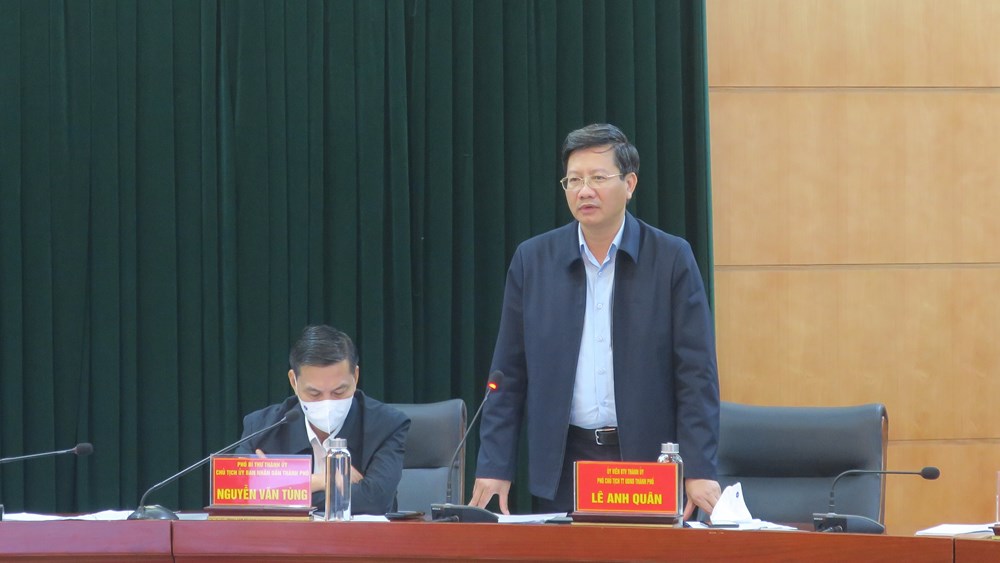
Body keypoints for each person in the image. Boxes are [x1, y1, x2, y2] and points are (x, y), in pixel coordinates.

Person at [470, 123, 722, 517]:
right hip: (565, 463)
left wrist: (699, 467)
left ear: (629, 184)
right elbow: (508, 374)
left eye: (598, 178)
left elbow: (696, 374)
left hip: (647, 464)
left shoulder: (671, 258)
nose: (584, 190)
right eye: (574, 180)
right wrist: (494, 465)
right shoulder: (534, 261)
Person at [236, 325, 410, 515]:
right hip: (286, 535)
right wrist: (322, 480)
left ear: (355, 376)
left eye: (339, 392)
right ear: (294, 382)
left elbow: (375, 501)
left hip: (363, 534)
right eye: (314, 393)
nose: (327, 403)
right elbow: (235, 493)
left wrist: (279, 488)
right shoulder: (262, 427)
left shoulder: (387, 425)